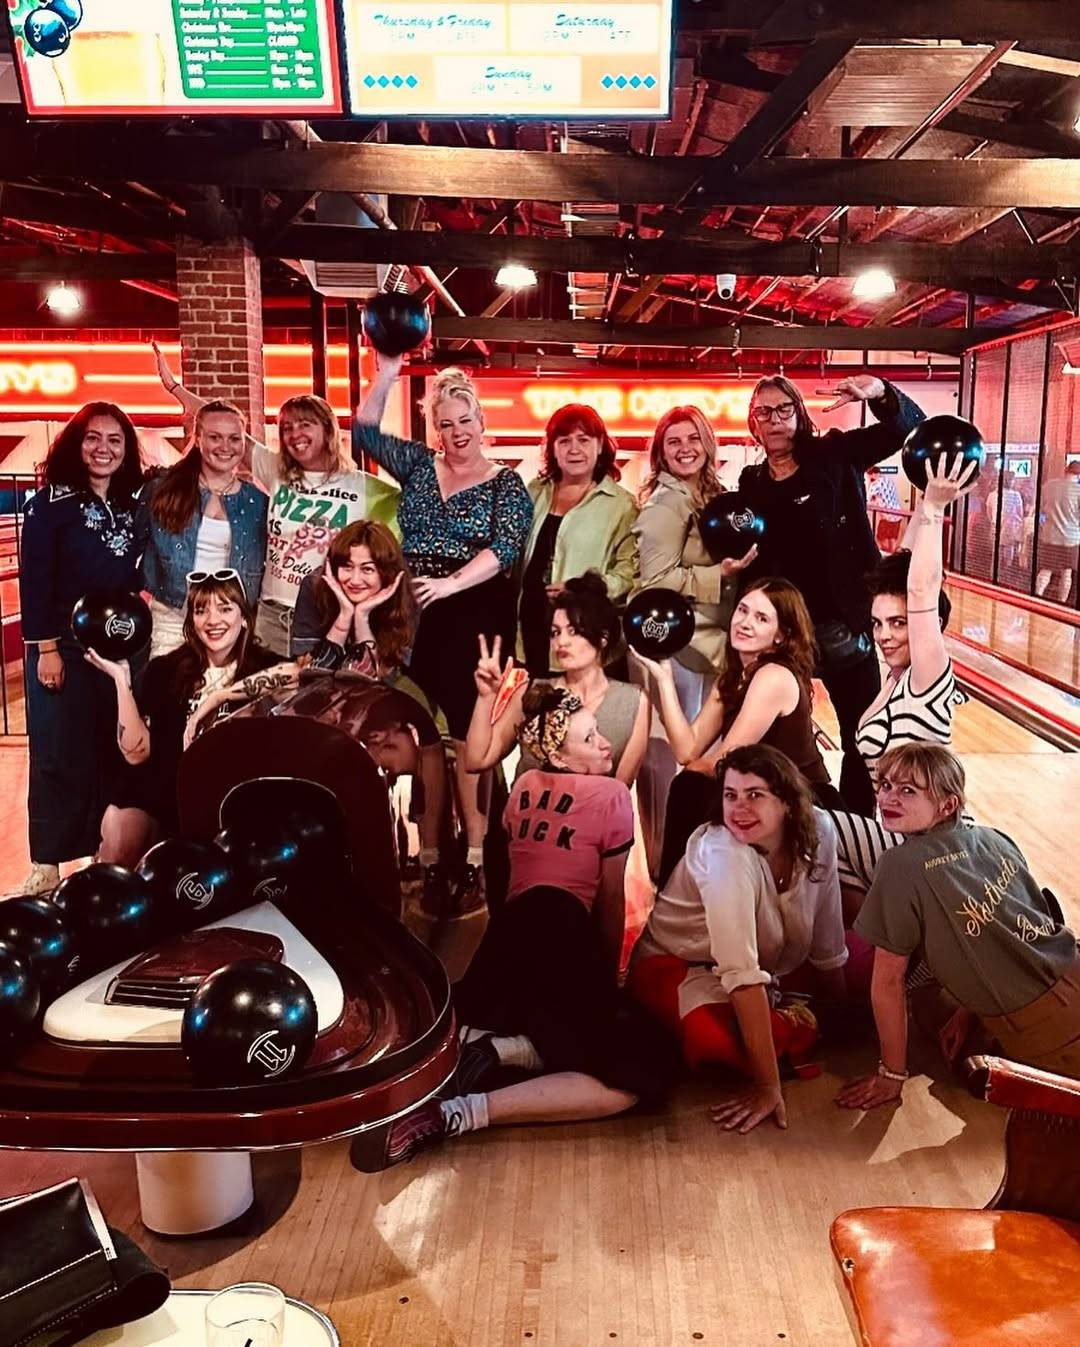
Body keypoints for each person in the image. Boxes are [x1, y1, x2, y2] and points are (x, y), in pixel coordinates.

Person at [353, 683, 673, 1170]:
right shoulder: (611, 796)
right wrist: (607, 986)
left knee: (543, 1028)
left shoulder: (523, 788)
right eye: (590, 740)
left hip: (507, 941)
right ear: (562, 758)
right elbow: (610, 904)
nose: (605, 744)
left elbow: (512, 881)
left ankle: (500, 1049)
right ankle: (467, 1110)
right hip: (562, 931)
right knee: (643, 1070)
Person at [354, 354, 533, 911]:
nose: (456, 433)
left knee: (467, 739)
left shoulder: (506, 483)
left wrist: (451, 583)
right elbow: (362, 429)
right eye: (445, 423)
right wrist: (386, 370)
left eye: (465, 421)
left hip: (474, 606)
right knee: (420, 736)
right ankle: (432, 855)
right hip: (413, 606)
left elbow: (503, 550)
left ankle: (478, 858)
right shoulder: (419, 466)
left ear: (482, 423)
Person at [836, 742, 1080, 1108]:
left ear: (948, 805)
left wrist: (891, 1075)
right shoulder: (993, 837)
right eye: (885, 785)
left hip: (1046, 1030)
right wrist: (971, 1010)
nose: (889, 797)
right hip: (1073, 968)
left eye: (908, 790)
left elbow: (888, 981)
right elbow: (1018, 929)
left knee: (928, 1007)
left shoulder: (900, 866)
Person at [629, 744, 848, 1134]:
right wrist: (767, 1087)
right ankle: (798, 1027)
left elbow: (828, 925)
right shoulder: (723, 854)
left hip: (772, 967)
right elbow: (741, 973)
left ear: (786, 803)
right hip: (676, 967)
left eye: (755, 796)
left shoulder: (820, 829)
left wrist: (842, 999)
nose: (739, 809)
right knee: (713, 1040)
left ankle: (799, 1022)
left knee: (863, 970)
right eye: (730, 795)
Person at [737, 374, 926, 815]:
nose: (775, 420)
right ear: (753, 423)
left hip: (846, 627)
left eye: (784, 409)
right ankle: (802, 824)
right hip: (786, 637)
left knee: (862, 738)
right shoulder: (752, 484)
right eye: (764, 412)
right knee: (786, 743)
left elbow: (907, 430)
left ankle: (856, 828)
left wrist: (879, 391)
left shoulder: (835, 455)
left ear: (799, 415)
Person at [153, 341, 399, 657]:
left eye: (305, 425)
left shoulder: (364, 487)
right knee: (267, 698)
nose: (294, 434)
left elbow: (414, 505)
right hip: (269, 614)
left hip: (324, 614)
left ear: (328, 430)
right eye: (286, 428)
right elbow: (222, 425)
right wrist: (175, 388)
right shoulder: (276, 470)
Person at [828, 458, 975, 918]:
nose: (886, 634)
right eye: (877, 624)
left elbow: (922, 588)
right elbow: (904, 572)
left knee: (812, 825)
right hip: (893, 835)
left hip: (932, 843)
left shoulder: (927, 679)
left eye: (898, 623)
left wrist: (931, 508)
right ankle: (858, 954)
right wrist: (915, 530)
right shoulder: (891, 679)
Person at [634, 576, 842, 887]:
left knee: (690, 786)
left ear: (781, 636)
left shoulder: (774, 676)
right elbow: (687, 749)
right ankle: (676, 895)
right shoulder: (733, 678)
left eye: (761, 618)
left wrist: (693, 770)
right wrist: (664, 678)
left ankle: (674, 896)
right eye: (742, 610)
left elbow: (723, 760)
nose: (744, 623)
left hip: (802, 797)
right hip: (758, 790)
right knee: (689, 783)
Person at [290, 519, 454, 912]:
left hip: (391, 692)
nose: (355, 579)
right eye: (347, 567)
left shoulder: (407, 596)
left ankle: (429, 858)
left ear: (385, 570)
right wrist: (344, 616)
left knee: (423, 734)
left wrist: (364, 620)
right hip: (323, 691)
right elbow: (308, 670)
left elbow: (382, 679)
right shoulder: (314, 589)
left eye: (368, 569)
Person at [17, 402, 145, 896]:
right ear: (77, 442)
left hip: (117, 651)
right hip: (62, 648)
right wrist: (46, 648)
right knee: (56, 752)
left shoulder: (133, 505)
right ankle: (47, 860)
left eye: (115, 440)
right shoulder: (50, 504)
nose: (104, 449)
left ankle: (100, 850)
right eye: (94, 438)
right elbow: (36, 582)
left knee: (106, 749)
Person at [88, 572, 295, 865]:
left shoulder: (263, 665)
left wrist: (218, 697)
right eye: (201, 610)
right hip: (168, 791)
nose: (213, 620)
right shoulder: (165, 670)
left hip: (231, 796)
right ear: (191, 621)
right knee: (121, 828)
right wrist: (122, 682)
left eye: (225, 609)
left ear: (244, 618)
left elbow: (293, 675)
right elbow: (136, 754)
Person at [632, 404, 757, 874]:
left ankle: (700, 865)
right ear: (660, 454)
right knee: (671, 761)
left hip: (715, 648)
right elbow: (654, 579)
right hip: (679, 648)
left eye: (692, 439)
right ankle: (667, 868)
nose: (685, 449)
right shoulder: (666, 503)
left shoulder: (709, 495)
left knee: (705, 758)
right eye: (673, 442)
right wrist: (717, 574)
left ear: (708, 443)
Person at [466, 572, 650, 787]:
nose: (561, 642)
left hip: (595, 817)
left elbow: (619, 790)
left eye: (573, 632)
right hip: (530, 816)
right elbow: (476, 760)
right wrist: (485, 697)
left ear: (602, 638)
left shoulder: (633, 700)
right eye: (555, 633)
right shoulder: (532, 691)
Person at [137, 399, 268, 658]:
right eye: (215, 437)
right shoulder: (162, 491)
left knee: (223, 696)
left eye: (234, 438)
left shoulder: (258, 503)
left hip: (231, 624)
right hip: (173, 619)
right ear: (197, 439)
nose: (225, 447)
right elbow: (129, 549)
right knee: (168, 693)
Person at [518, 404, 638, 676]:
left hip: (588, 641)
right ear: (552, 449)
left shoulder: (621, 505)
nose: (574, 449)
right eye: (564, 441)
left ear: (599, 446)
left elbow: (630, 574)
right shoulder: (534, 492)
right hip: (530, 635)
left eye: (584, 440)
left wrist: (583, 588)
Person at [1035, 457, 1080, 603]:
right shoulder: (1078, 491)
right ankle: (1061, 604)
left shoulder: (1049, 486)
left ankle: (1037, 597)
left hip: (1050, 536)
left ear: (1066, 470)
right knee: (1066, 573)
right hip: (1070, 539)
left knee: (1046, 570)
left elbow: (1041, 509)